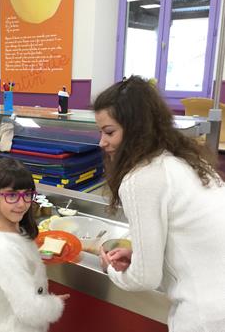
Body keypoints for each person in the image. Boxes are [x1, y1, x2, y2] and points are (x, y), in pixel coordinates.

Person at [95, 75, 225, 332]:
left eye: (109, 132)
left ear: (135, 129)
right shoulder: (184, 162)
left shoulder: (141, 178)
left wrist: (111, 270)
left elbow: (145, 277)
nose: (102, 142)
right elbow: (192, 238)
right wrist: (139, 253)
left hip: (203, 316)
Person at [0, 158, 69, 332]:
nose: (21, 203)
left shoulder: (15, 234)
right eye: (11, 195)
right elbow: (29, 310)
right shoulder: (4, 248)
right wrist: (55, 304)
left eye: (27, 194)